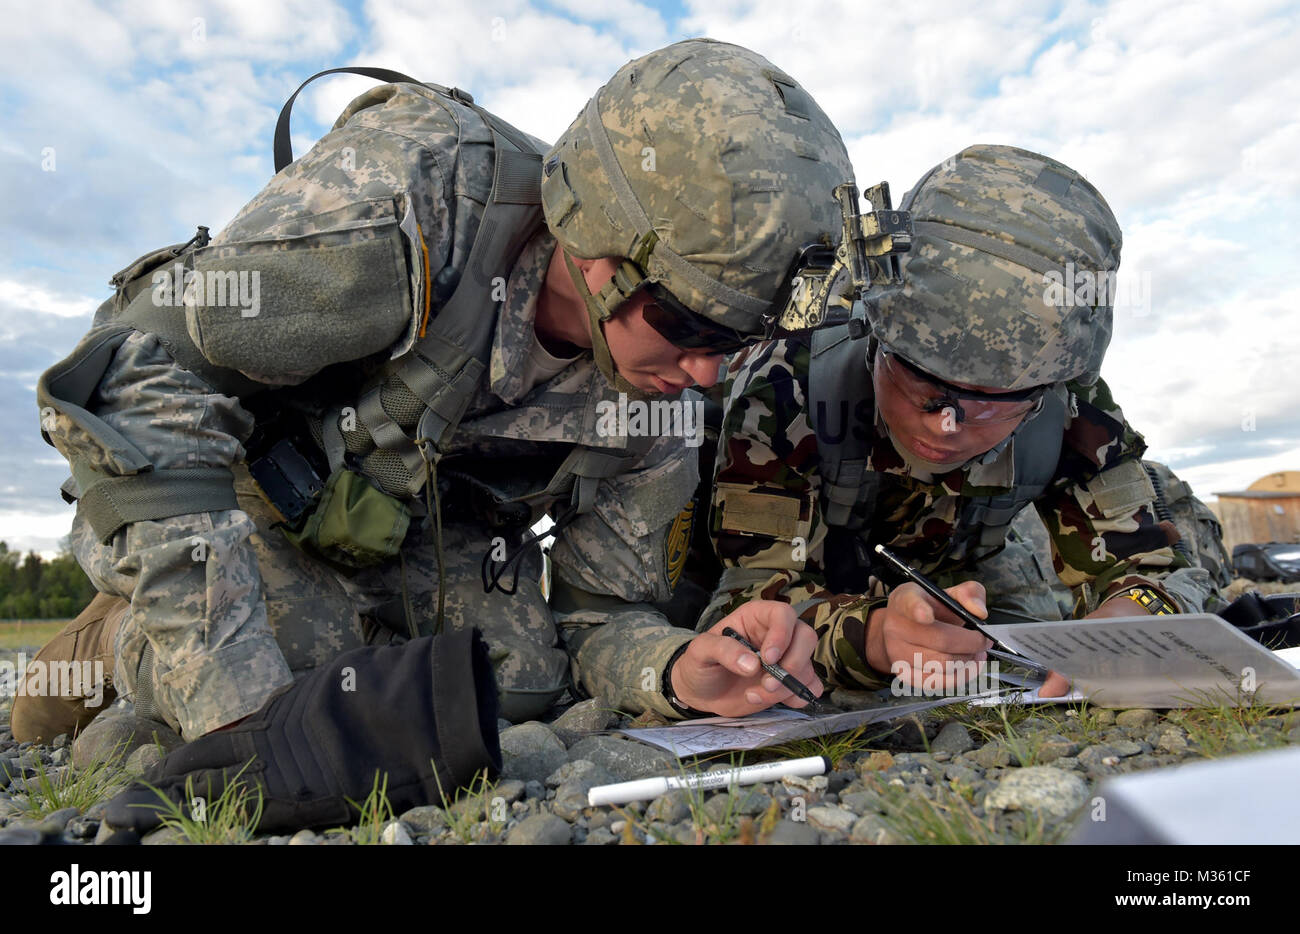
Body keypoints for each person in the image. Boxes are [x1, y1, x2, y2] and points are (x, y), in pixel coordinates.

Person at [17, 38, 858, 770]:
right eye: (690, 325)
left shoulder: (662, 399)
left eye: (741, 345)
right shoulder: (413, 202)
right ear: (601, 244)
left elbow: (598, 616)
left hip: (404, 542)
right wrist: (239, 711)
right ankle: (106, 647)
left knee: (520, 679)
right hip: (228, 501)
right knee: (288, 666)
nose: (708, 377)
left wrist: (678, 671)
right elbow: (128, 374)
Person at [702, 144, 1224, 699]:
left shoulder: (1068, 401)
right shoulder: (789, 384)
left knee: (1019, 638)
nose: (948, 425)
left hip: (962, 571)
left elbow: (1152, 565)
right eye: (924, 387)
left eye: (992, 403)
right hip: (820, 571)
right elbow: (747, 602)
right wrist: (873, 638)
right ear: (877, 339)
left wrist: (1126, 621)